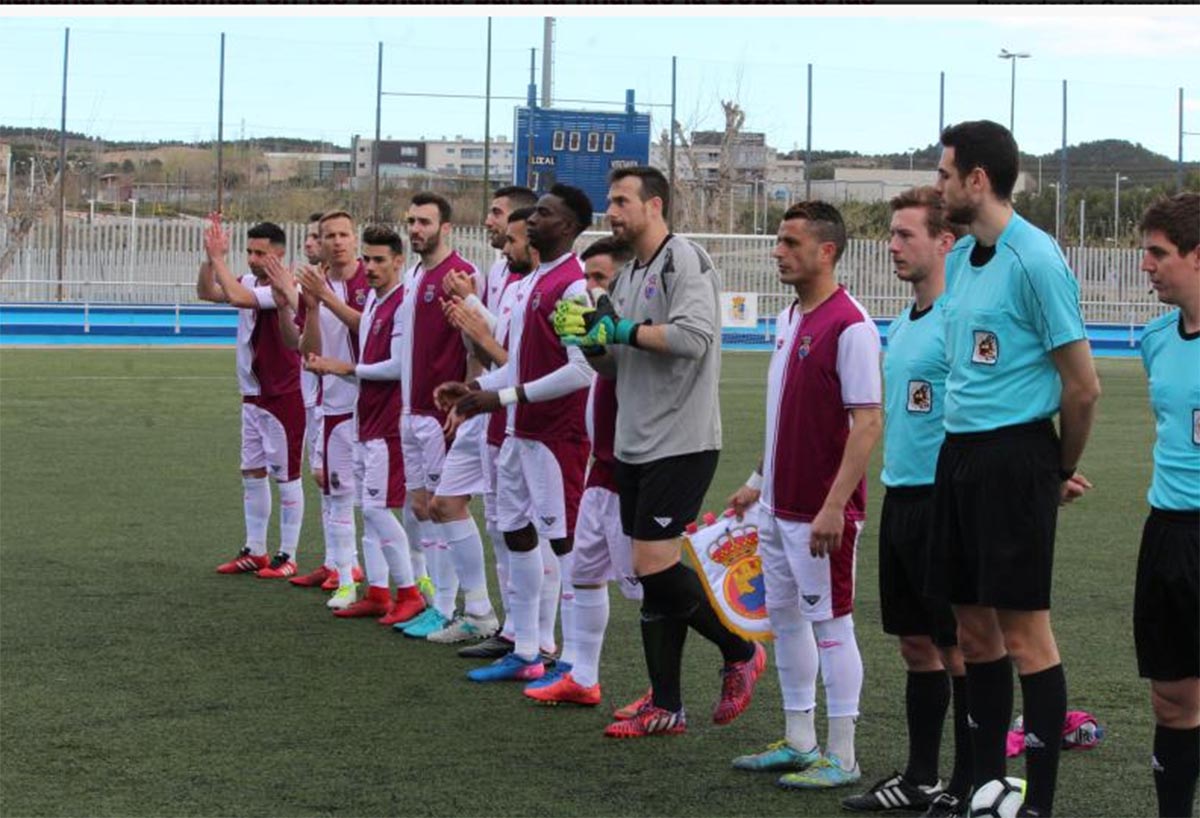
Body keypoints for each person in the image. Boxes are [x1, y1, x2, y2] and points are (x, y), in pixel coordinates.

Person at [553, 166, 765, 738]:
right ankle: (666, 705)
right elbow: (617, 364)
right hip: (635, 443)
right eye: (610, 202)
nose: (611, 213)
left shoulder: (685, 260)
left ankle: (740, 650)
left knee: (654, 565)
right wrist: (589, 341)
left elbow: (694, 340)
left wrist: (618, 329)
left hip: (682, 441)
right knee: (652, 577)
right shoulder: (627, 276)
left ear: (655, 205)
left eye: (621, 202)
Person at [929, 120, 1100, 818]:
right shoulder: (966, 257)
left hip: (1015, 456)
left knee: (1027, 634)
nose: (937, 185)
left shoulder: (1036, 258)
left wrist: (1054, 467)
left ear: (977, 180)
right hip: (959, 453)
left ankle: (1040, 803)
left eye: (944, 173)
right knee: (972, 634)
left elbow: (1083, 386)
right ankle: (984, 787)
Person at [726, 201, 881, 789]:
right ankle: (798, 740)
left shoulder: (852, 326)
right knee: (786, 621)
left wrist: (836, 505)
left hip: (820, 514)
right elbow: (782, 417)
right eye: (778, 241)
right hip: (775, 508)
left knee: (832, 625)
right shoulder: (792, 316)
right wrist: (757, 482)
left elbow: (867, 423)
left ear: (827, 251)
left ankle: (842, 757)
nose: (778, 252)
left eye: (791, 242)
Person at [839, 188, 972, 815]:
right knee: (917, 646)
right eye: (890, 234)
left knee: (960, 648)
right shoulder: (901, 321)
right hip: (903, 499)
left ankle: (971, 784)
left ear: (946, 242)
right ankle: (921, 778)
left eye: (906, 235)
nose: (892, 245)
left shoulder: (962, 317)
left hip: (950, 504)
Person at [438, 184, 596, 684]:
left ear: (568, 227)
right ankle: (526, 648)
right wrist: (473, 391)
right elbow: (519, 366)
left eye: (545, 213)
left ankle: (572, 665)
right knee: (514, 534)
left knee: (564, 545)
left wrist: (503, 398)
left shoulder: (574, 287)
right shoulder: (530, 283)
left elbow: (583, 371)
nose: (532, 220)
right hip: (519, 432)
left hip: (556, 437)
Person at [524, 236, 641, 707]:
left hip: (636, 468)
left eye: (598, 278)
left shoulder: (638, 331)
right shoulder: (594, 334)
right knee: (586, 571)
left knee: (649, 587)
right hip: (601, 465)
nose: (587, 288)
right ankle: (582, 675)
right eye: (585, 277)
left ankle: (681, 685)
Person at [425, 186, 538, 645]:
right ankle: (484, 613)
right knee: (447, 504)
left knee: (515, 527)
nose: (489, 222)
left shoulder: (536, 281)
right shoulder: (498, 271)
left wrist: (473, 313)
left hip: (516, 417)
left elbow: (521, 361)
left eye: (497, 214)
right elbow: (486, 351)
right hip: (486, 409)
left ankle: (524, 633)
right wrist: (469, 400)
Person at [304, 225, 425, 625]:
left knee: (377, 510)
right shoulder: (375, 302)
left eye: (379, 260)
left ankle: (410, 590)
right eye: (368, 260)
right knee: (366, 509)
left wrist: (344, 367)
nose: (371, 268)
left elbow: (396, 366)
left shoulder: (404, 303)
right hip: (365, 418)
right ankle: (377, 592)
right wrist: (335, 370)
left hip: (390, 423)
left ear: (398, 261)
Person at [392, 192, 483, 639]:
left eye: (425, 222)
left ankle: (451, 608)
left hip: (438, 411)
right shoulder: (412, 275)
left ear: (446, 228)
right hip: (410, 409)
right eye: (411, 221)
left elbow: (476, 345)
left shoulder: (461, 275)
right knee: (421, 507)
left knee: (445, 508)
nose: (416, 229)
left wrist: (465, 400)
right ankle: (438, 603)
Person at [1135, 192, 1199, 818]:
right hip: (1168, 535)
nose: (1147, 265)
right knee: (1171, 699)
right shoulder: (1156, 339)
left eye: (1159, 253)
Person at [196, 216, 305, 578]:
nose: (253, 259)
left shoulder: (283, 287)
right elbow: (207, 292)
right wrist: (210, 259)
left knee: (286, 475)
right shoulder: (246, 280)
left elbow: (239, 297)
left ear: (278, 255)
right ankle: (255, 549)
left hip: (282, 393)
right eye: (249, 251)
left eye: (261, 253)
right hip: (252, 393)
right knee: (251, 471)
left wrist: (220, 261)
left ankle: (287, 553)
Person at [275, 212, 374, 609]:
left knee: (378, 500)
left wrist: (325, 299)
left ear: (355, 239)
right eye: (326, 235)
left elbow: (371, 331)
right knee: (333, 489)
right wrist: (310, 307)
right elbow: (307, 350)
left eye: (342, 235)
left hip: (371, 404)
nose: (335, 242)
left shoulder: (372, 280)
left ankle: (398, 585)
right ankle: (344, 573)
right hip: (330, 404)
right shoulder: (316, 285)